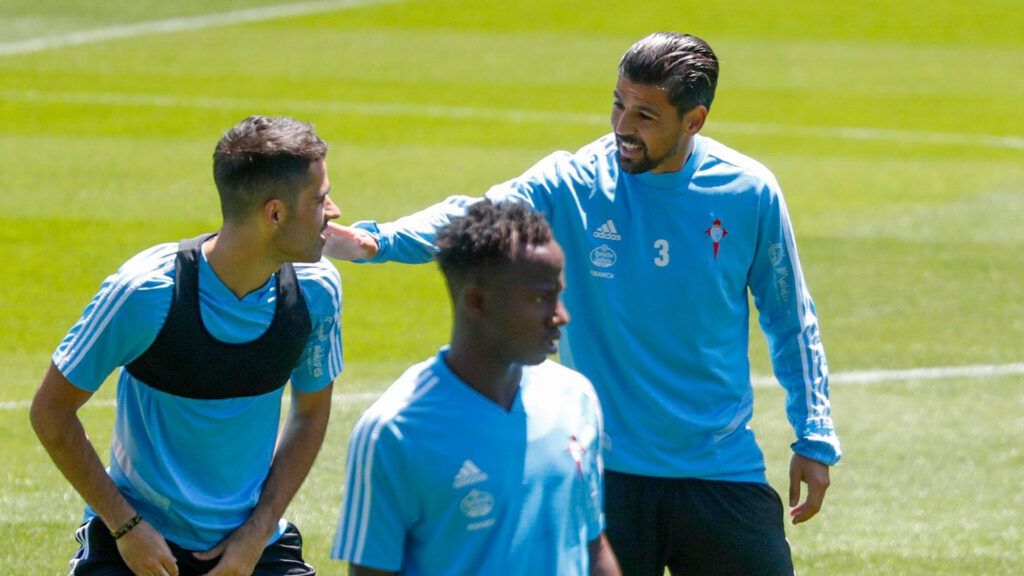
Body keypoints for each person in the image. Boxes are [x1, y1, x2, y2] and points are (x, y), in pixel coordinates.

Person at [325, 32, 841, 575]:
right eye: (618, 104)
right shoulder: (571, 181)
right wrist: (377, 242)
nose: (623, 127)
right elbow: (478, 216)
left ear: (694, 121)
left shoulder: (748, 192)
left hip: (720, 470)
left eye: (645, 115)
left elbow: (791, 319)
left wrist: (815, 433)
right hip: (606, 474)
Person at [30, 115, 344, 576]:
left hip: (251, 542)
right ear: (274, 213)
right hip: (137, 542)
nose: (333, 211)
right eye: (319, 199)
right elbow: (51, 412)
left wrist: (256, 534)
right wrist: (126, 527)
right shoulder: (146, 293)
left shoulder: (317, 292)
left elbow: (311, 412)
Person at [331, 201, 620, 575]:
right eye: (540, 298)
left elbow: (591, 547)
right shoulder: (395, 432)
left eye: (559, 294)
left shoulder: (575, 397)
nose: (561, 316)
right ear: (477, 302)